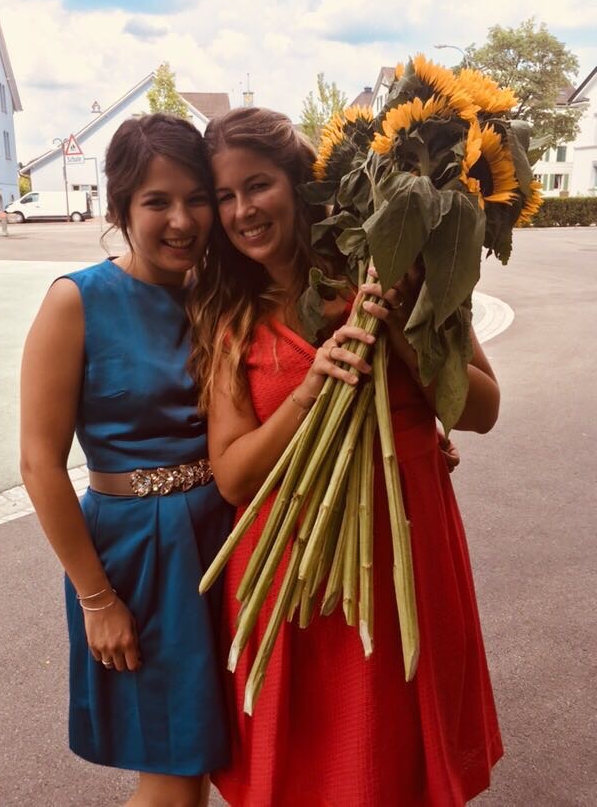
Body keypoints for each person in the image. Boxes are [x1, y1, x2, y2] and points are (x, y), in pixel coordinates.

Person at [189, 107, 503, 806]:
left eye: (258, 185)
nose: (242, 211)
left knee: (401, 764)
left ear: (302, 184)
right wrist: (308, 391)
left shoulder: (401, 270)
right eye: (225, 196)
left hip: (404, 549)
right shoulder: (230, 316)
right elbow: (234, 477)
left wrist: (402, 332)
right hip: (290, 567)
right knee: (311, 772)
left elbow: (481, 410)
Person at [20, 113, 232, 807]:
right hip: (136, 561)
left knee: (212, 759)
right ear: (119, 209)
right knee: (173, 771)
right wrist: (97, 600)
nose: (182, 220)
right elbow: (39, 464)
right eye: (157, 201)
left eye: (196, 199)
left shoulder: (220, 294)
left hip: (227, 541)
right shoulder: (76, 301)